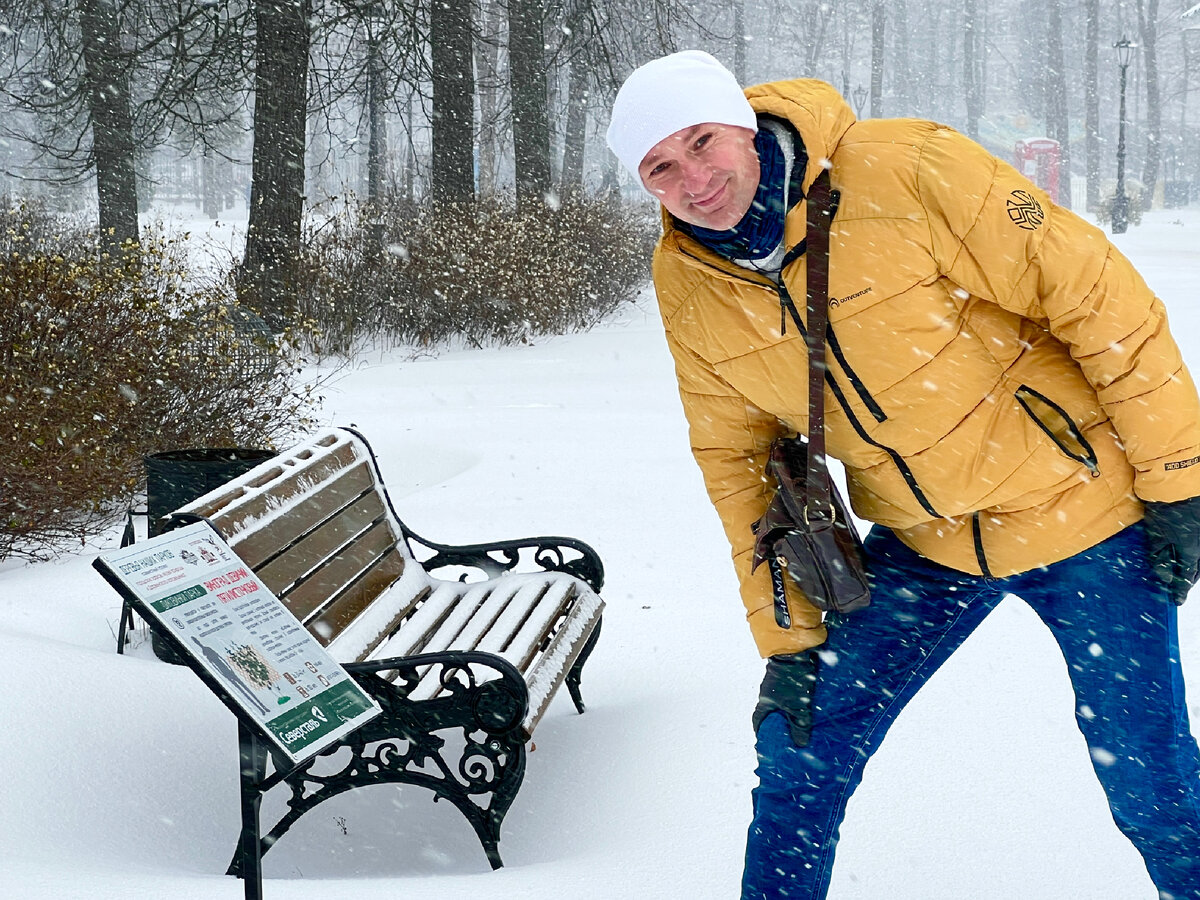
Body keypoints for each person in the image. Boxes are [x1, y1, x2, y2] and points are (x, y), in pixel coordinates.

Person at [606, 50, 1200, 899]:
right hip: (930, 542)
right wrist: (789, 640)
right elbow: (735, 460)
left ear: (743, 124)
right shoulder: (689, 279)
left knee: (1154, 785)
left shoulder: (904, 168)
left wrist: (1180, 477)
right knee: (799, 748)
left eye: (702, 142)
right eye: (660, 167)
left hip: (1085, 512)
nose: (693, 179)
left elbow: (1100, 297)